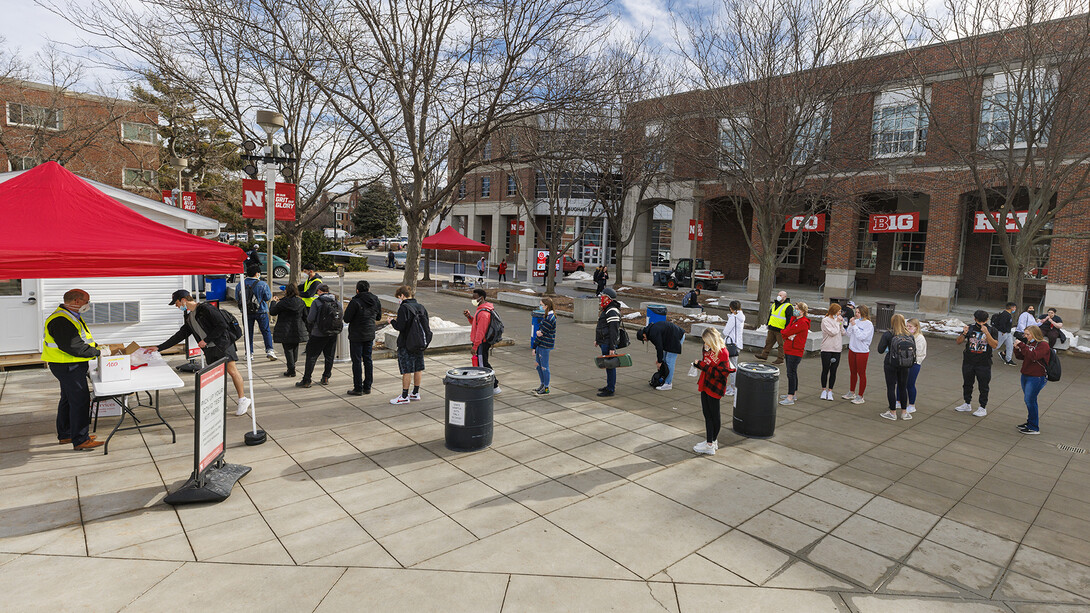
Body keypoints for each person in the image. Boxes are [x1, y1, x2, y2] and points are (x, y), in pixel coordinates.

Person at [155, 290, 251, 416]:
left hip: (223, 344)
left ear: (183, 300)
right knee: (216, 376)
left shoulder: (206, 308)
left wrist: (206, 340)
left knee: (232, 371)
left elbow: (222, 325)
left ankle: (243, 399)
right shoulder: (189, 317)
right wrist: (159, 347)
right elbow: (180, 335)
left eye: (176, 303)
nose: (176, 306)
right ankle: (219, 403)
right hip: (210, 349)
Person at [43, 289, 107, 450]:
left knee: (67, 399)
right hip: (68, 366)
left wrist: (95, 347)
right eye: (87, 301)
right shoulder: (61, 320)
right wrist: (98, 352)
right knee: (80, 400)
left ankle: (66, 434)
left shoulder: (69, 316)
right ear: (77, 301)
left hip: (67, 365)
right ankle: (81, 439)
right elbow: (74, 346)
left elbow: (81, 340)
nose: (88, 304)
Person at [692, 327, 734, 456]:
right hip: (706, 383)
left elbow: (721, 374)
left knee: (713, 415)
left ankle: (710, 444)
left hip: (715, 386)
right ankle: (711, 441)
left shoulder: (723, 353)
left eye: (706, 341)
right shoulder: (707, 349)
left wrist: (702, 365)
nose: (705, 344)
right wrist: (698, 364)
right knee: (707, 414)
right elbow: (707, 365)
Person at [389, 285, 429, 404]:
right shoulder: (421, 307)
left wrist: (392, 321)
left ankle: (404, 396)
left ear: (402, 295)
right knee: (418, 368)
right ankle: (415, 392)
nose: (399, 300)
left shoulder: (404, 308)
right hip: (419, 343)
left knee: (406, 370)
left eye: (399, 297)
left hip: (406, 343)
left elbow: (400, 326)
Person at [955, 309, 999, 417]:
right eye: (979, 321)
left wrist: (987, 333)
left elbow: (994, 345)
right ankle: (967, 403)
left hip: (984, 363)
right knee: (967, 383)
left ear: (987, 320)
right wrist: (964, 333)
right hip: (969, 361)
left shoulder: (992, 330)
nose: (980, 324)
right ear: (975, 319)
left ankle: (982, 407)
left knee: (983, 385)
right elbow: (958, 341)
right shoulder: (970, 328)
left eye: (983, 321)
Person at [297, 284, 341, 388]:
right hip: (333, 333)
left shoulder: (316, 302)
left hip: (318, 333)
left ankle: (307, 380)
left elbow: (311, 318)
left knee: (311, 356)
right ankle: (325, 377)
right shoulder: (337, 302)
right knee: (329, 356)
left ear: (319, 291)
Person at [343, 280, 382, 395]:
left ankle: (358, 387)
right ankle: (368, 386)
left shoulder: (355, 302)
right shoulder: (375, 300)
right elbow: (378, 317)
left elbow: (346, 319)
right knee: (368, 360)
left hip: (356, 335)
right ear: (369, 289)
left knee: (357, 361)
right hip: (369, 334)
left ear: (357, 290)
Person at [235, 263, 277, 360]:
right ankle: (269, 350)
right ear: (257, 273)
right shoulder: (262, 284)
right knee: (266, 331)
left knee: (248, 332)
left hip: (246, 312)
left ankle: (249, 353)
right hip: (261, 311)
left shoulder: (240, 284)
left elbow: (237, 298)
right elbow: (268, 297)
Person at [1013, 325, 1050, 435]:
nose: (1026, 336)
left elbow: (1034, 356)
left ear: (1035, 334)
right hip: (1026, 374)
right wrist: (1017, 349)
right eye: (1025, 334)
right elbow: (1023, 356)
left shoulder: (1043, 345)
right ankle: (1030, 422)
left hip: (1036, 376)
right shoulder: (1030, 343)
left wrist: (1022, 345)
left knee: (1030, 400)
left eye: (1028, 334)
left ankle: (1034, 427)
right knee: (1029, 400)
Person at [877, 313, 913, 421]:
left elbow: (880, 350)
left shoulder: (888, 334)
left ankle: (892, 412)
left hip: (890, 363)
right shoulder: (909, 335)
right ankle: (904, 412)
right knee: (903, 387)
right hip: (905, 364)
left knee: (891, 387)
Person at [464, 288, 501, 393]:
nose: (473, 300)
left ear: (482, 298)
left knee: (483, 365)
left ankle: (494, 385)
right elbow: (476, 324)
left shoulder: (484, 313)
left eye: (475, 298)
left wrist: (475, 347)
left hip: (481, 343)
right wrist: (469, 317)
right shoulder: (481, 309)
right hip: (481, 343)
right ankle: (491, 385)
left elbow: (480, 332)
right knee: (483, 364)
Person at [269, 284, 308, 377]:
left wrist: (273, 302)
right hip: (298, 328)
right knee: (295, 347)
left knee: (288, 349)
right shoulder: (300, 302)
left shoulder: (283, 303)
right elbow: (305, 316)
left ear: (286, 291)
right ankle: (293, 363)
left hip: (285, 328)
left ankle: (291, 369)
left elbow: (272, 312)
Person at [636, 320, 685, 391]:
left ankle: (668, 384)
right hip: (672, 338)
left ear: (644, 334)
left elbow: (659, 347)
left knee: (669, 361)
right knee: (665, 359)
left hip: (676, 337)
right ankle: (664, 380)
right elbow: (659, 347)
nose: (646, 340)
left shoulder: (652, 333)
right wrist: (660, 360)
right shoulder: (651, 330)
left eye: (644, 339)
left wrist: (659, 362)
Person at [779, 302, 810, 406]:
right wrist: (787, 334)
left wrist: (787, 334)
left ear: (802, 311)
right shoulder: (794, 319)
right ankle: (793, 393)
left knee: (790, 373)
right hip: (790, 349)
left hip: (795, 351)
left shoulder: (802, 322)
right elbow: (786, 331)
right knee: (793, 372)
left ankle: (790, 396)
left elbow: (786, 332)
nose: (794, 310)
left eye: (796, 308)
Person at [843, 304, 874, 405]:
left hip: (862, 351)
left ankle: (860, 396)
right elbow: (848, 334)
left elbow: (861, 337)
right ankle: (852, 392)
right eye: (856, 312)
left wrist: (854, 326)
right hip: (853, 349)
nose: (856, 314)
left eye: (858, 312)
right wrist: (848, 325)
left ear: (864, 313)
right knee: (852, 372)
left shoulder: (869, 324)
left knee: (861, 373)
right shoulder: (855, 322)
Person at [595, 287, 622, 397]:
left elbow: (613, 331)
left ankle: (611, 389)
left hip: (608, 343)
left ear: (608, 299)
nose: (601, 299)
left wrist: (612, 348)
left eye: (603, 297)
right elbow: (602, 327)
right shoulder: (607, 309)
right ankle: (609, 385)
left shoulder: (612, 311)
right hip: (604, 342)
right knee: (608, 366)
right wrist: (598, 340)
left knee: (610, 366)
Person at [756, 290, 792, 366]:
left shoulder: (788, 306)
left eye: (781, 295)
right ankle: (764, 355)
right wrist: (767, 324)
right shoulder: (774, 304)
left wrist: (787, 329)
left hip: (781, 329)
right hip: (772, 327)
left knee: (781, 345)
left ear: (785, 297)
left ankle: (780, 359)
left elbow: (789, 319)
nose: (779, 296)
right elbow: (771, 315)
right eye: (778, 294)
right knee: (768, 342)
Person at [819, 303, 844, 401]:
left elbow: (842, 332)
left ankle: (830, 390)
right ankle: (823, 389)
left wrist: (841, 323)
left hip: (837, 349)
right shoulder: (825, 321)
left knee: (834, 371)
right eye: (838, 311)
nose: (840, 313)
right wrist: (838, 323)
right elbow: (832, 332)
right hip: (827, 348)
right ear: (834, 311)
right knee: (825, 369)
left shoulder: (837, 320)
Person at [533, 298, 557, 394]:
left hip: (544, 345)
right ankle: (542, 384)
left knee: (544, 367)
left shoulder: (549, 318)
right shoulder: (547, 316)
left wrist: (534, 346)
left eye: (541, 305)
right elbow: (539, 332)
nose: (540, 306)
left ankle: (546, 387)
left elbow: (541, 333)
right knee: (539, 366)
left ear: (546, 306)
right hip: (541, 344)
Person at [721, 300, 745, 396]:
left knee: (732, 367)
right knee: (734, 365)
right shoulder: (741, 317)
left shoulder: (733, 318)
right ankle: (733, 386)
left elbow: (725, 332)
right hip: (737, 344)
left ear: (731, 308)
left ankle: (733, 387)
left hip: (731, 344)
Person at [905, 318, 927, 415]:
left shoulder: (919, 338)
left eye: (910, 326)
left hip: (914, 363)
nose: (907, 328)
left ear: (916, 327)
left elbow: (918, 352)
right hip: (905, 362)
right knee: (901, 383)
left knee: (910, 384)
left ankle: (912, 405)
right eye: (907, 326)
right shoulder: (907, 335)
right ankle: (899, 401)